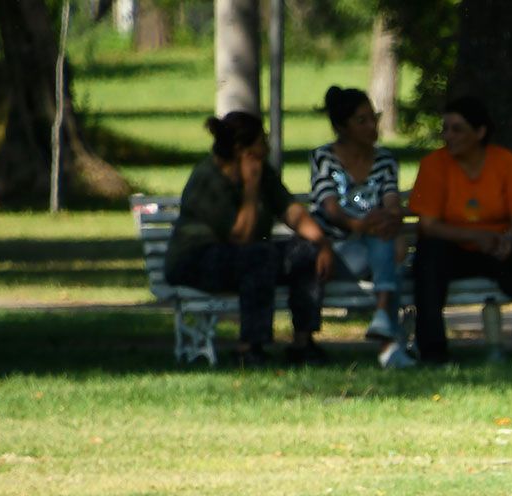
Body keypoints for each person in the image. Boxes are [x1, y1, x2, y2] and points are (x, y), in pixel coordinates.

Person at [165, 111, 334, 367]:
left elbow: (291, 211)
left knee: (304, 252)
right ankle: (249, 348)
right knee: (257, 254)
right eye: (261, 140)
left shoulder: (263, 172)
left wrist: (322, 244)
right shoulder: (208, 178)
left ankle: (303, 343)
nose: (266, 146)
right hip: (195, 260)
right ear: (241, 149)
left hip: (247, 257)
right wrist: (251, 187)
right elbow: (241, 237)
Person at [408, 96, 512, 364]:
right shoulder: (433, 164)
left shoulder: (506, 162)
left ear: (480, 132)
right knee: (428, 257)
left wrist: (507, 239)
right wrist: (475, 236)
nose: (448, 136)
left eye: (457, 129)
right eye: (445, 129)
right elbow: (428, 226)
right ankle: (432, 350)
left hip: (498, 246)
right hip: (453, 248)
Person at [310, 86, 415, 369]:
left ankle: (386, 333)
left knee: (386, 242)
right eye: (362, 120)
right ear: (342, 127)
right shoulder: (324, 157)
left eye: (374, 118)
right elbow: (330, 208)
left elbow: (391, 198)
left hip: (376, 247)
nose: (372, 126)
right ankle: (388, 341)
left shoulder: (385, 159)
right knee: (387, 246)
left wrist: (391, 217)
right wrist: (361, 224)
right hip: (337, 251)